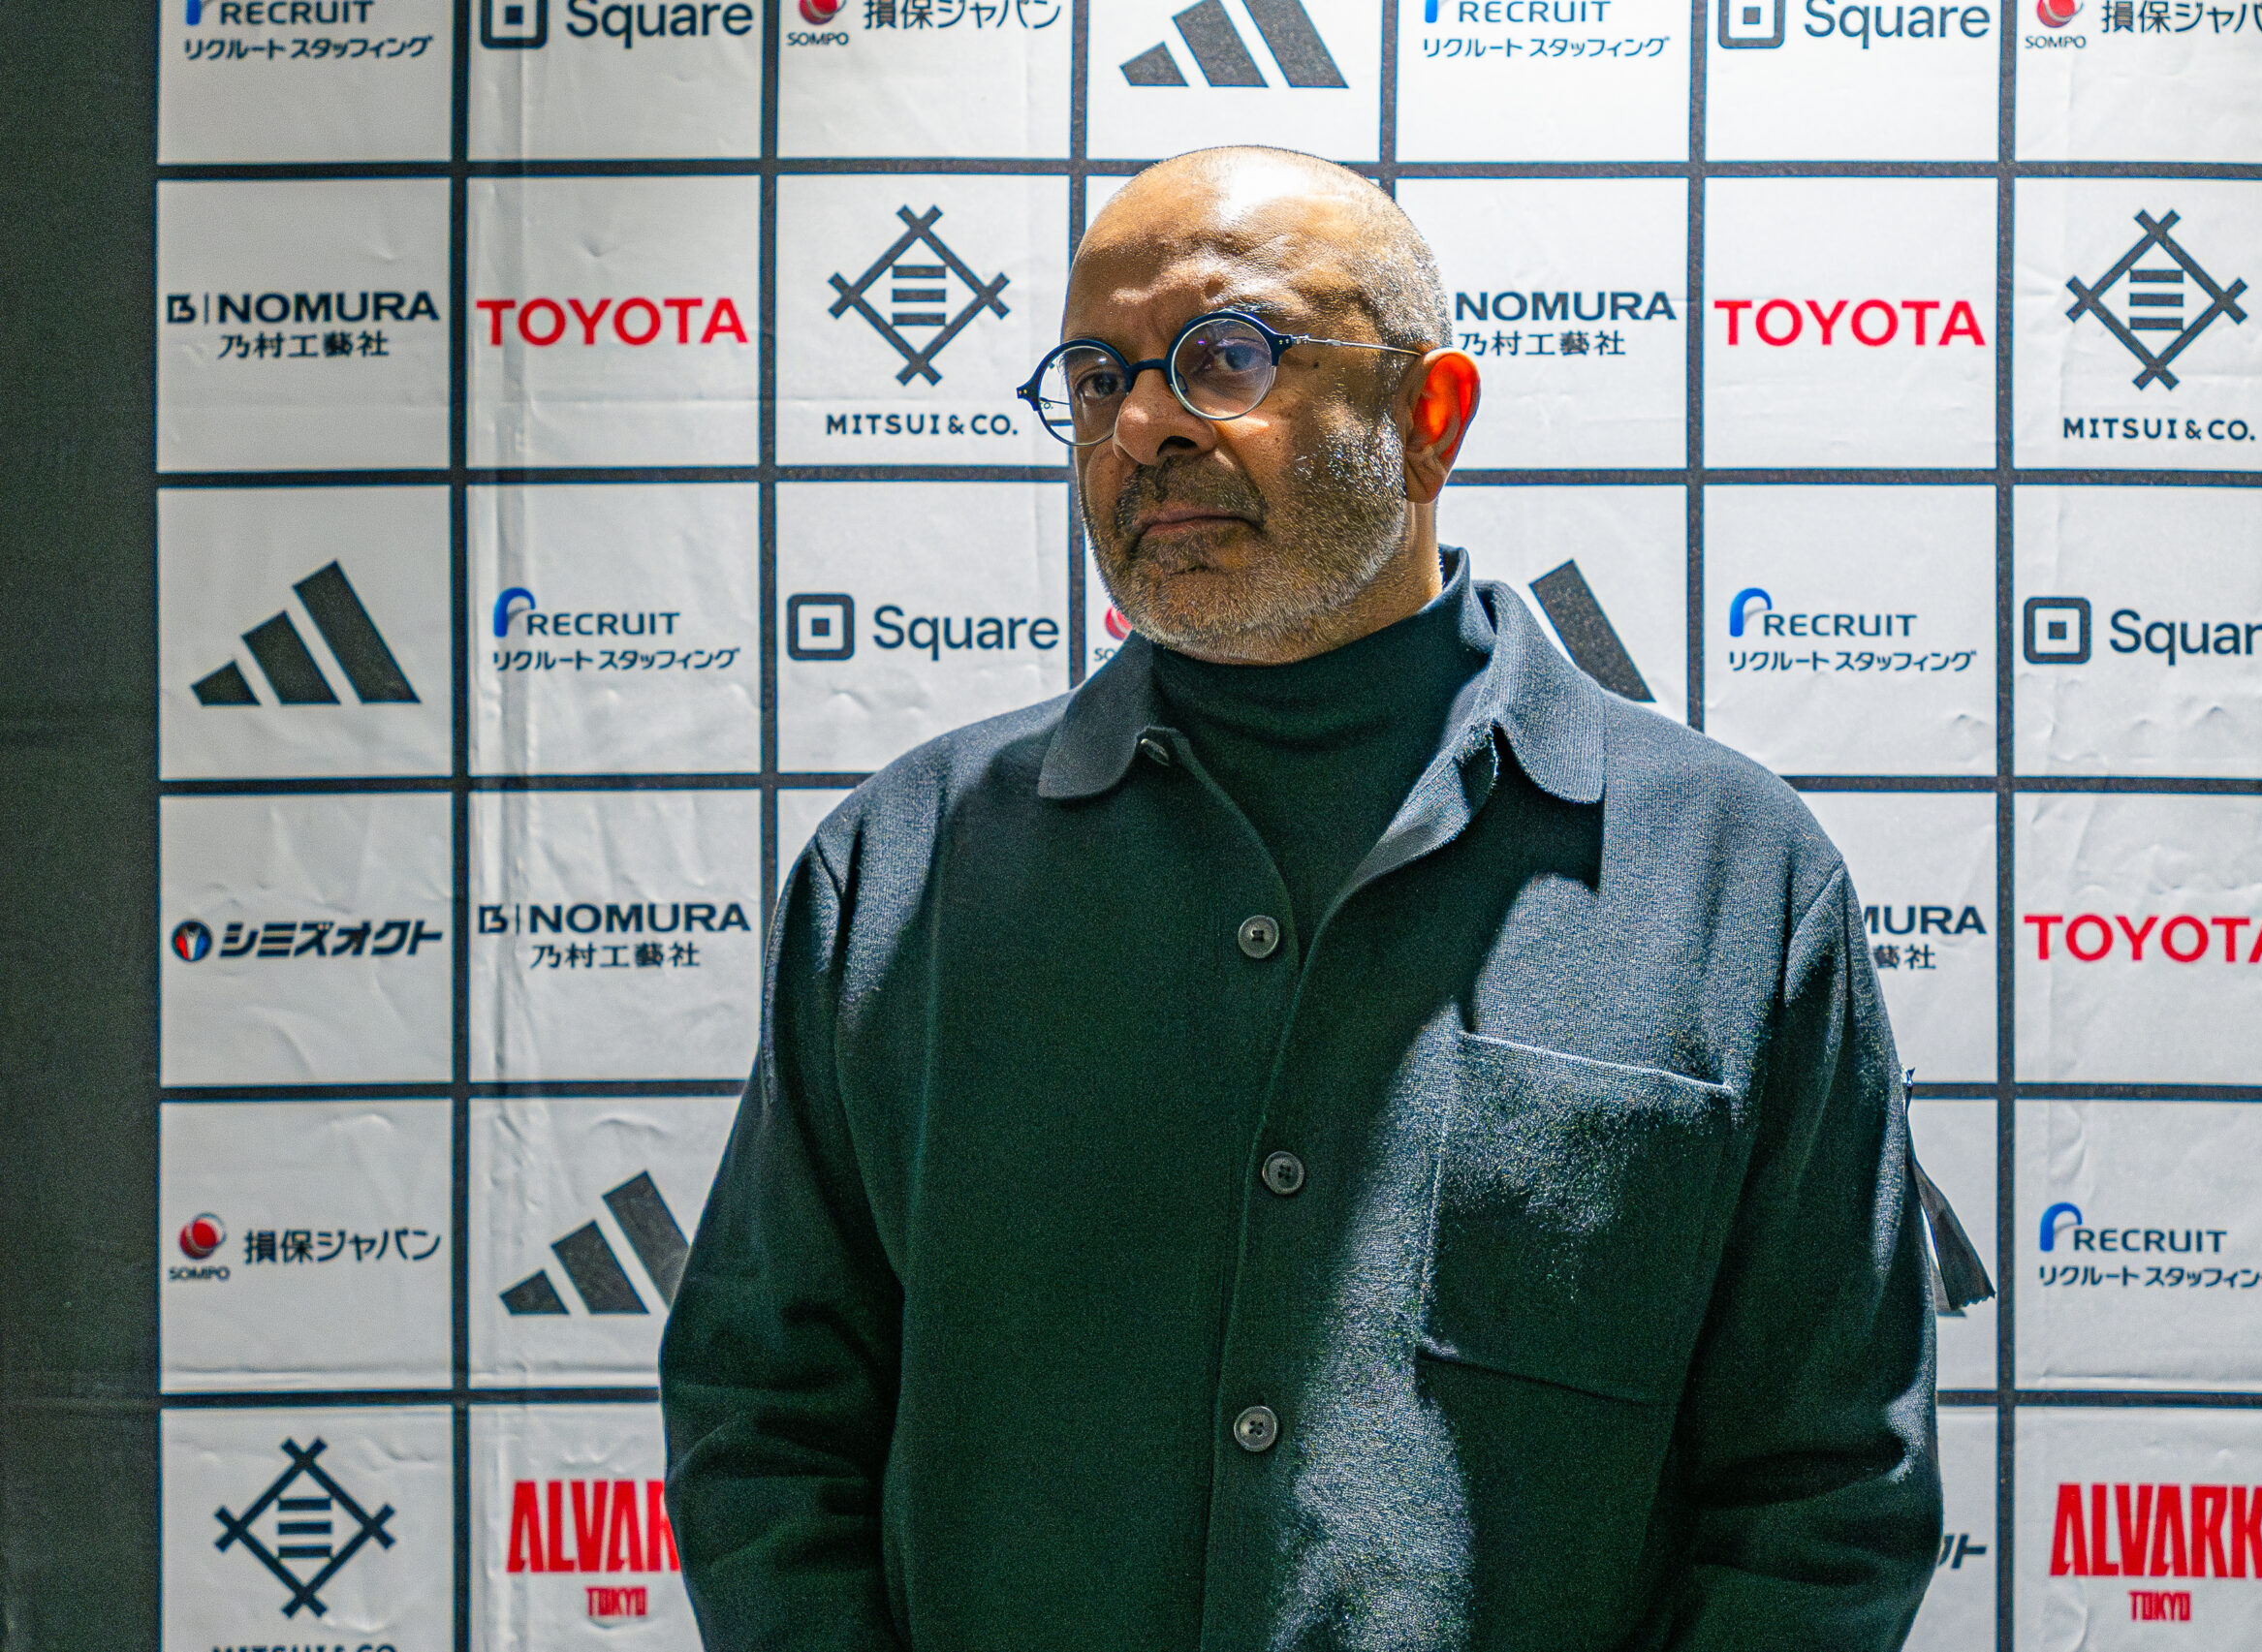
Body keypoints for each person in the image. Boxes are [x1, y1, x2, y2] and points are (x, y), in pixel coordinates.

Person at [661, 145, 1942, 1651]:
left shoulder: (1733, 878)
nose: (1141, 425)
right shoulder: (900, 873)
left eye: (1225, 355)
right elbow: (764, 1418)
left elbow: (1826, 1488)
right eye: (1096, 377)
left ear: (1427, 419)